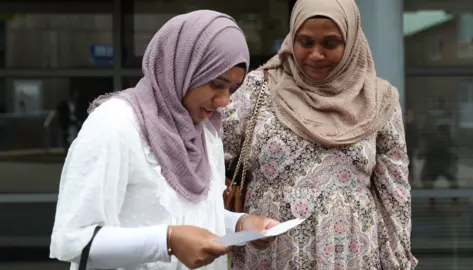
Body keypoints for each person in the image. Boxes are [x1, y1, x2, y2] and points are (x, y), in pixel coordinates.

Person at [50, 10, 279, 270]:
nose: (224, 101)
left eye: (232, 89)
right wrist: (167, 241)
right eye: (216, 83)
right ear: (183, 67)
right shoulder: (116, 123)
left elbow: (192, 213)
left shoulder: (205, 130)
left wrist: (240, 224)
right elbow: (72, 241)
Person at [221, 0, 418, 269]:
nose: (316, 54)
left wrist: (399, 260)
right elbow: (208, 155)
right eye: (305, 42)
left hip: (351, 253)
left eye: (329, 44)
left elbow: (394, 192)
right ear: (292, 39)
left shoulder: (378, 99)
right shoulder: (260, 88)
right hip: (270, 253)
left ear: (350, 41)